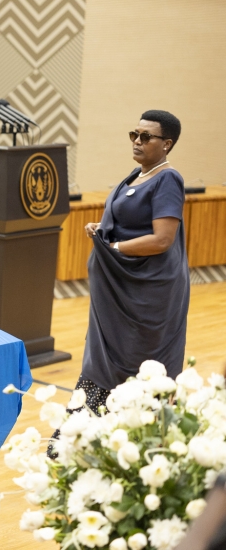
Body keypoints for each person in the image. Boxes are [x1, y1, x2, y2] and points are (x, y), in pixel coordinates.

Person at [78, 110, 189, 413]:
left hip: (146, 294)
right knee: (102, 358)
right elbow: (130, 224)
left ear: (166, 144)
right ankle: (92, 436)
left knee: (139, 363)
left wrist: (113, 246)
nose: (137, 142)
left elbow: (162, 239)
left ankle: (134, 441)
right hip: (118, 291)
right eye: (134, 135)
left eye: (146, 137)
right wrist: (101, 230)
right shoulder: (136, 176)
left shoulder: (168, 178)